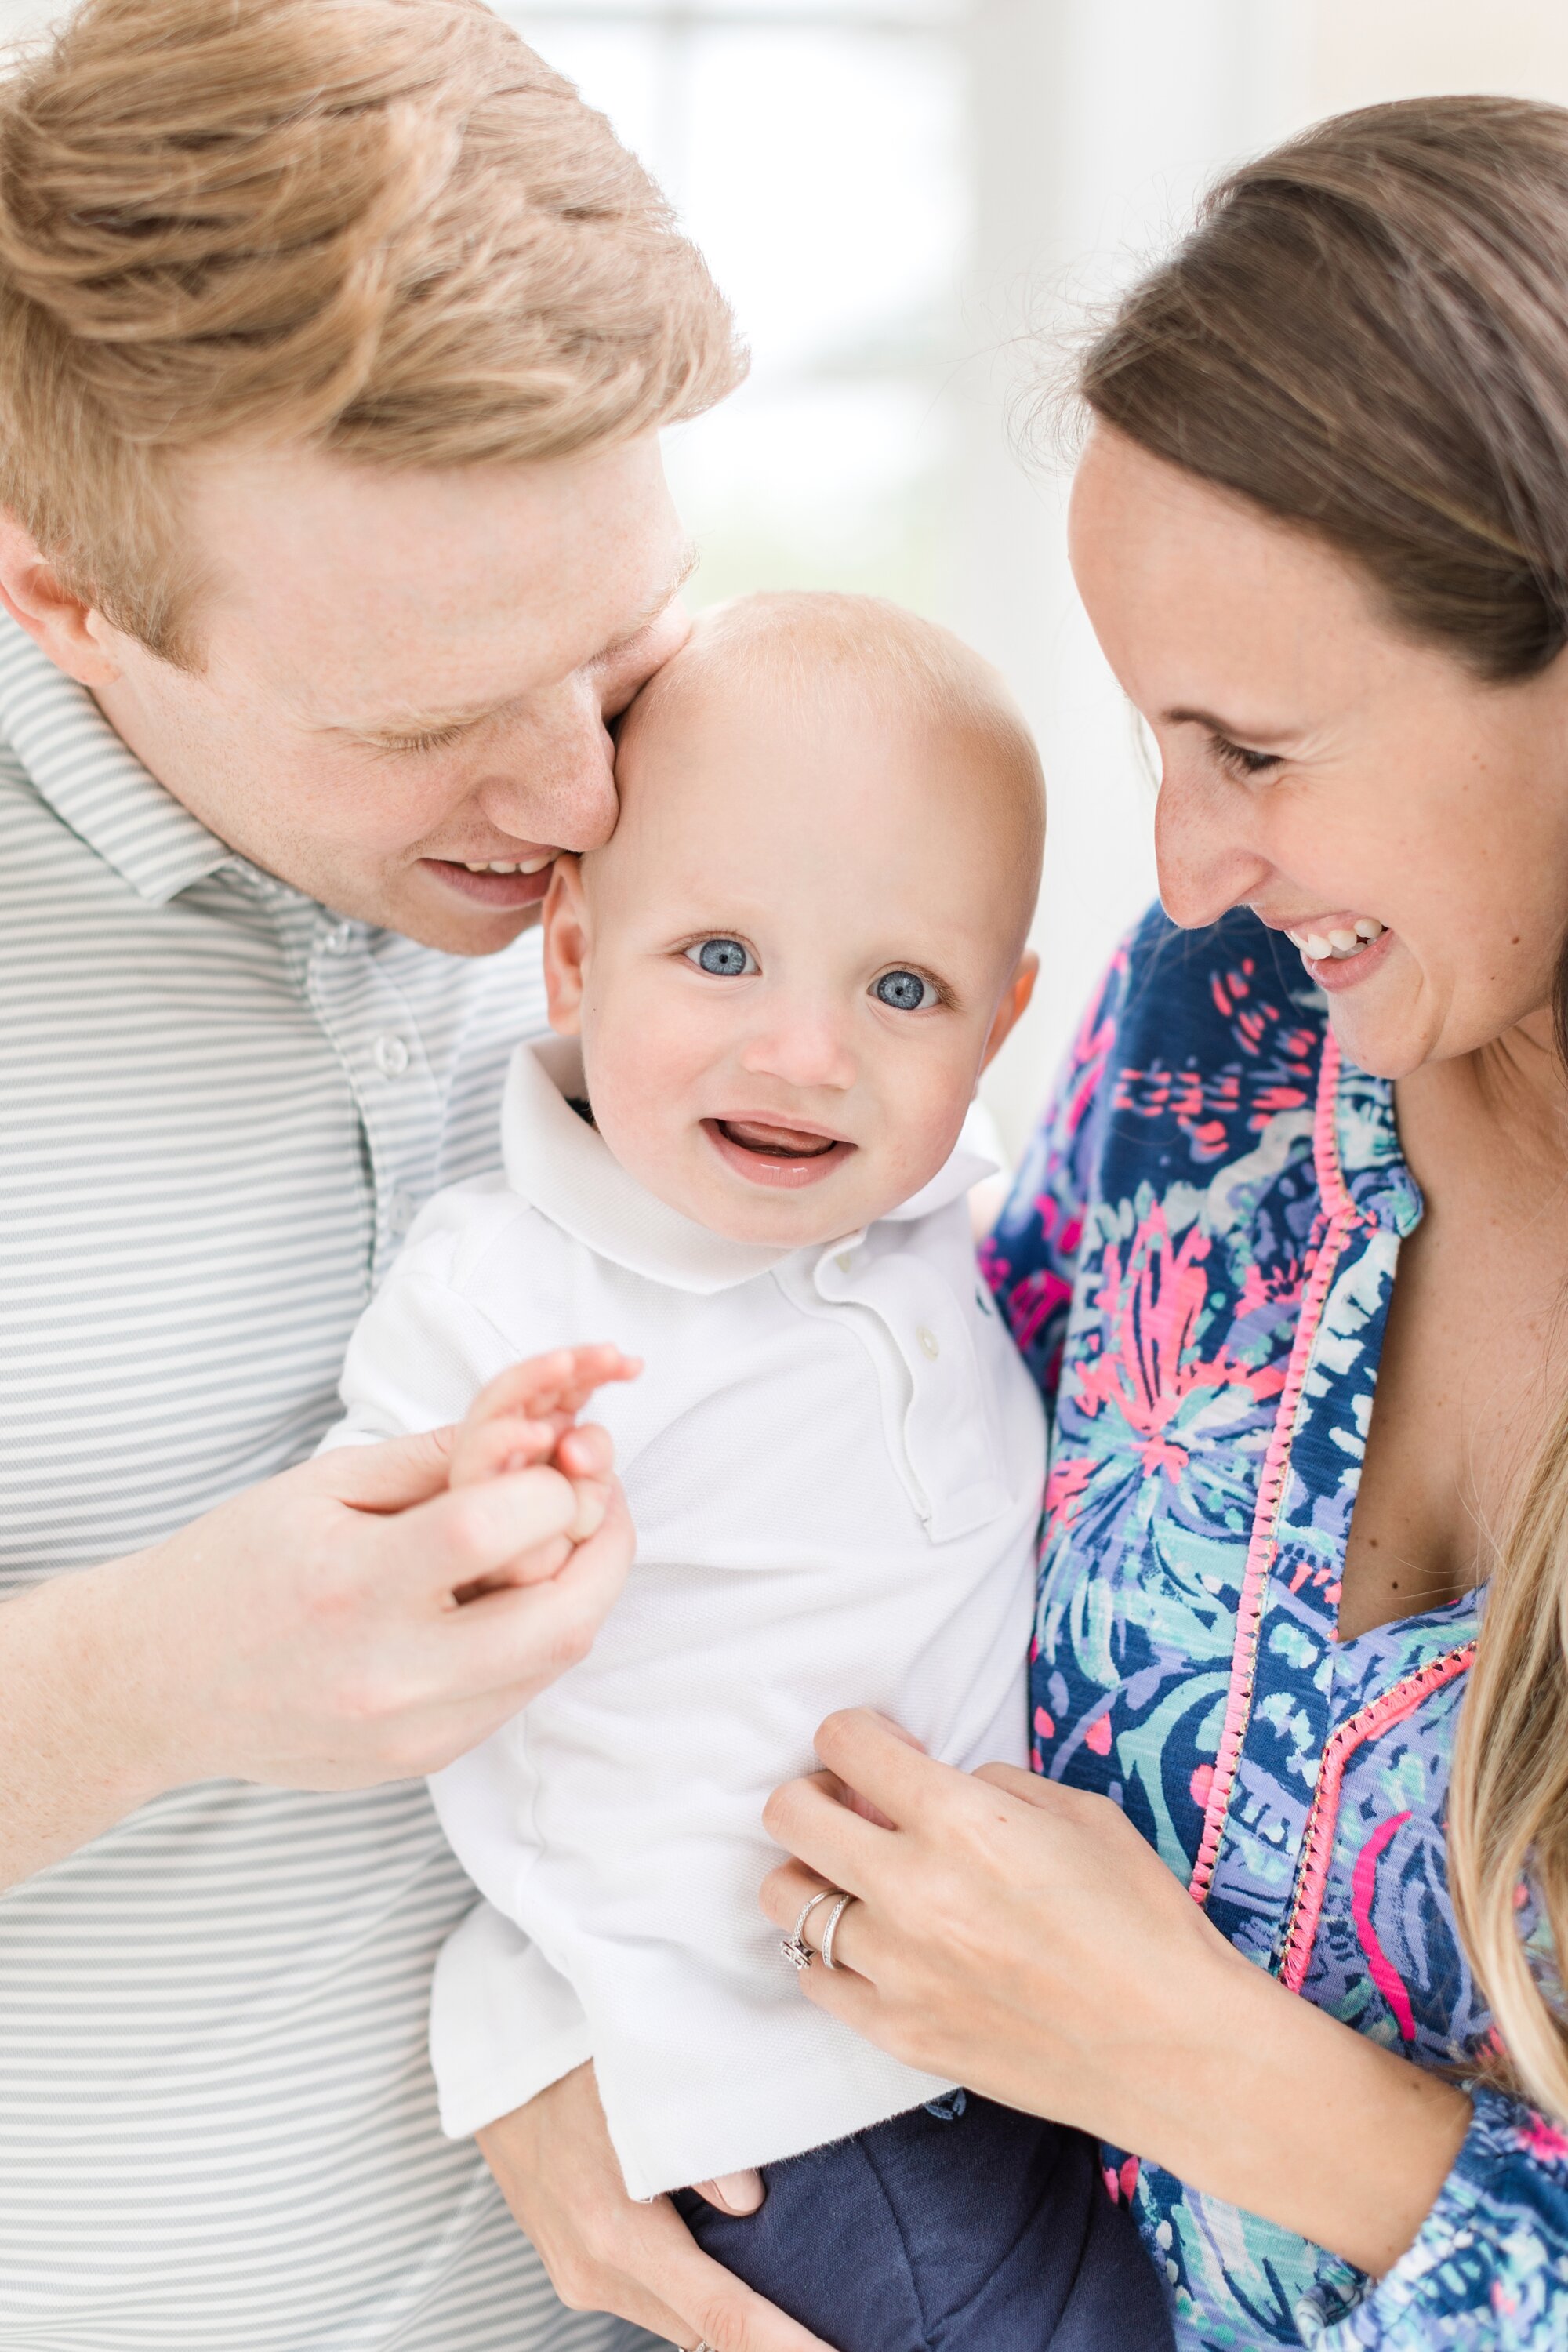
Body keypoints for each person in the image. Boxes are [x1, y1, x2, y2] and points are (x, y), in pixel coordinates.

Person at [489, 97, 1568, 2352]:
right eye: (1154, 744)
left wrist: (1199, 2067)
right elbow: (837, 1521)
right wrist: (554, 2016)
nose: (1180, 871)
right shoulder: (1234, 1034)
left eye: (1254, 749)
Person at [0, 0, 779, 2343]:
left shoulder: (723, 805)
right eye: (430, 721)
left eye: (618, 646)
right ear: (67, 601)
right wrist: (138, 1682)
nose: (581, 805)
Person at [318, 592, 1172, 2351]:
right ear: (570, 954)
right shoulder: (505, 1293)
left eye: (903, 987)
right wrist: (489, 1497)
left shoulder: (938, 1207)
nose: (804, 1052)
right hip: (794, 2103)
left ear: (1000, 1023)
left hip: (1021, 2039)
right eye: (718, 956)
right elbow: (353, 1604)